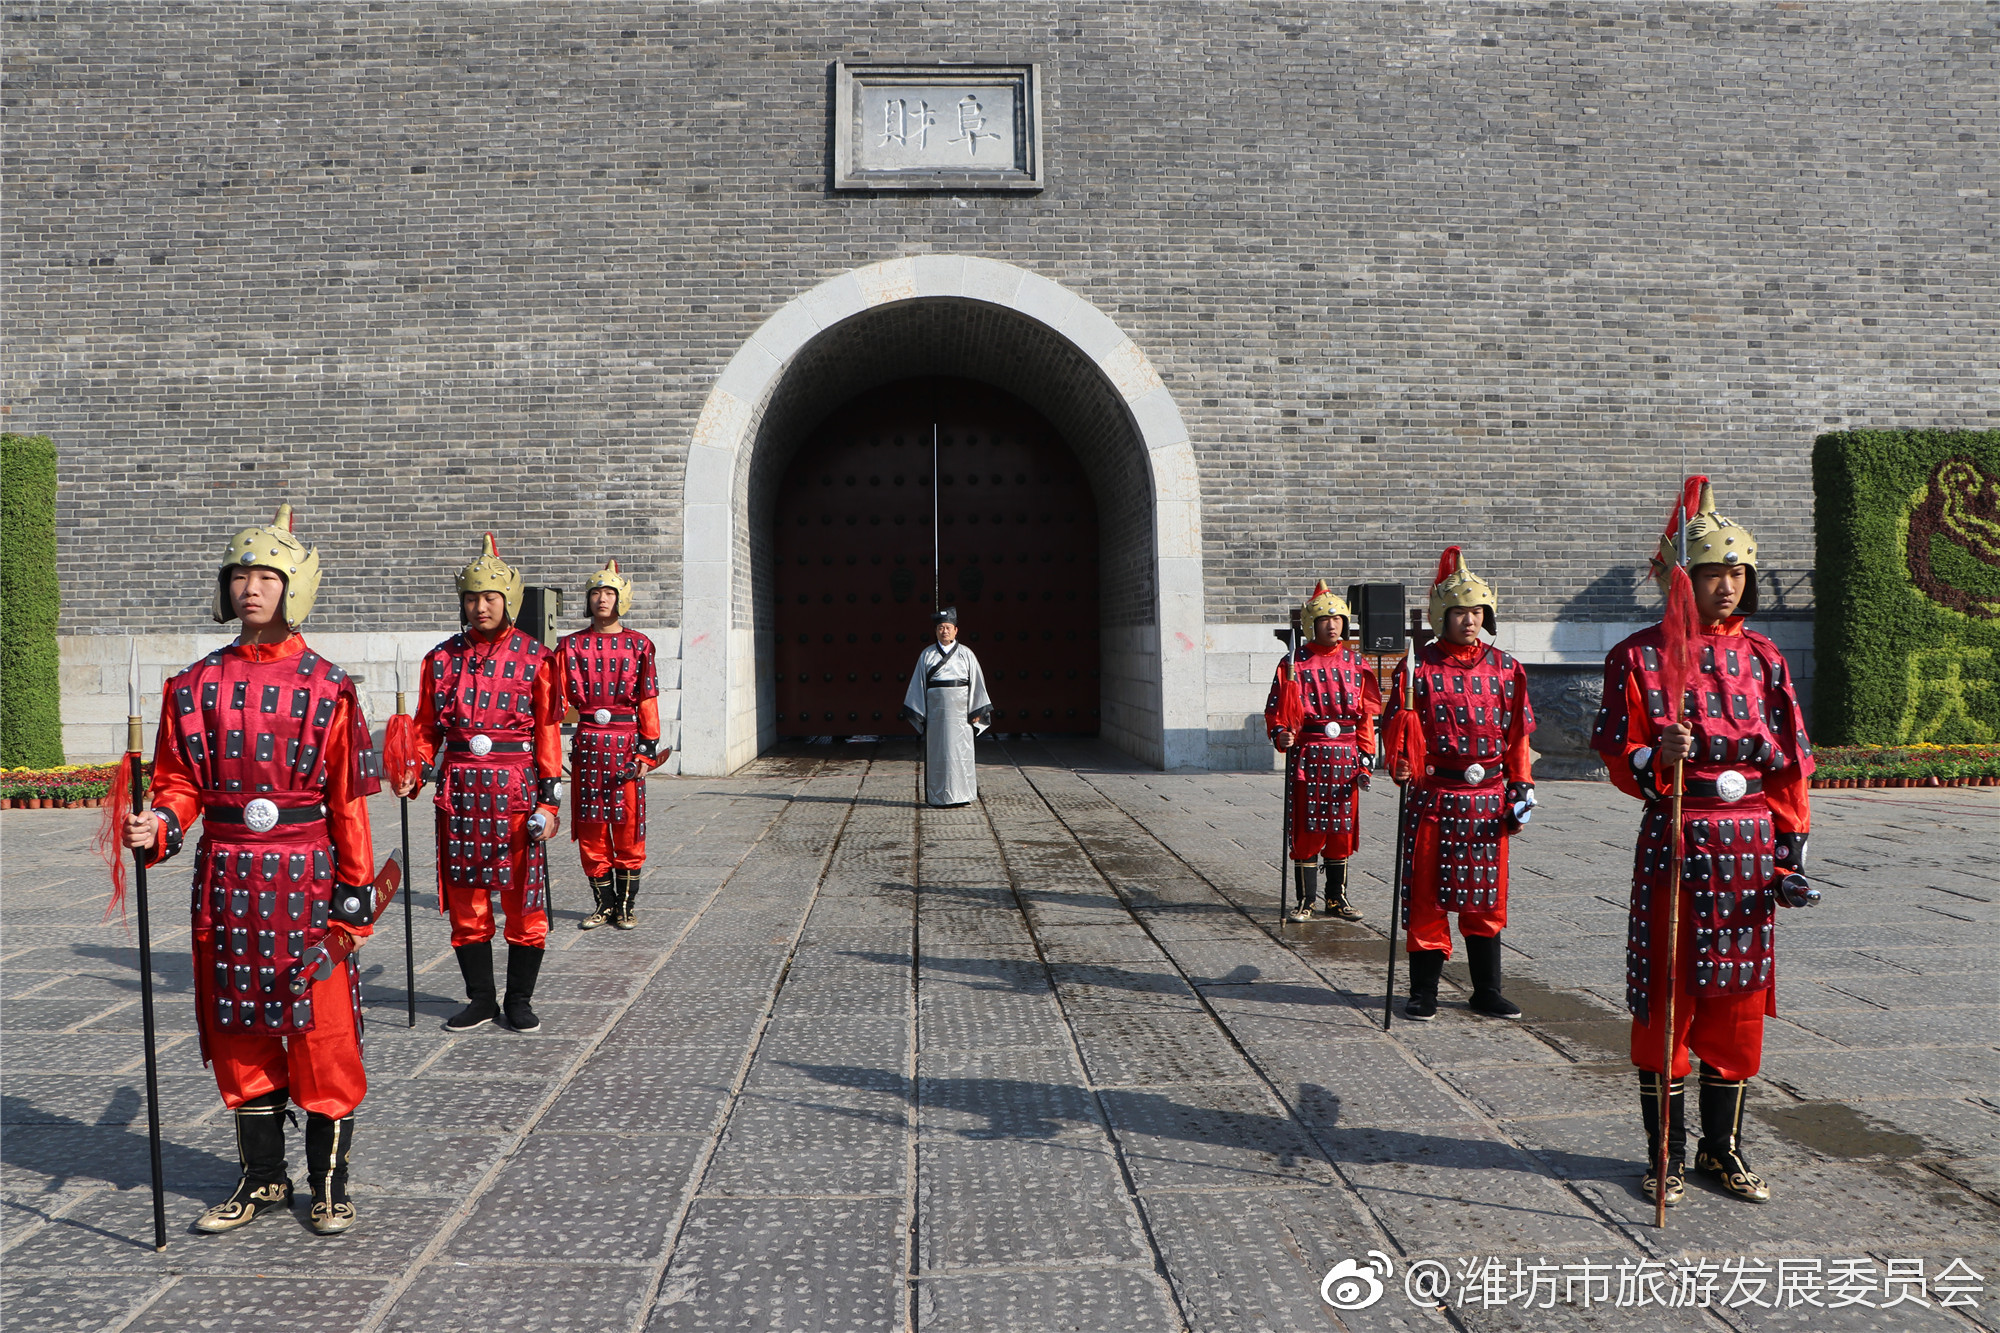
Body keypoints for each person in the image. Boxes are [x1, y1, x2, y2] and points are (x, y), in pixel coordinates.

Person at [122, 504, 382, 1236]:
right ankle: (263, 1177)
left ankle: (329, 1182)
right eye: (240, 575)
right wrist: (161, 823)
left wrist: (355, 892)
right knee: (241, 1033)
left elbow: (346, 801)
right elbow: (179, 783)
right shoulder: (193, 685)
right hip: (229, 881)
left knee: (322, 1033)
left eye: (265, 576)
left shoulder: (329, 687)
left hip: (307, 878)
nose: (249, 589)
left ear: (293, 587)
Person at [1591, 478, 1819, 1206]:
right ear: (1684, 577)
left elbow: (1788, 763)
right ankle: (1665, 1153)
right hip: (1678, 838)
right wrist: (1661, 752)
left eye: (1738, 571)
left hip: (1750, 842)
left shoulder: (1765, 658)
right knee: (1670, 996)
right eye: (1714, 571)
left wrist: (1790, 850)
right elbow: (1616, 752)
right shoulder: (1638, 656)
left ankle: (1724, 1147)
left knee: (1738, 1000)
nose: (1729, 586)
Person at [395, 534, 563, 1034]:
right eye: (472, 597)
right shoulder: (439, 659)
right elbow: (426, 728)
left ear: (508, 600)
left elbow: (548, 731)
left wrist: (550, 800)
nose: (480, 606)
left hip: (515, 791)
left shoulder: (536, 658)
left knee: (522, 902)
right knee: (467, 902)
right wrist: (416, 768)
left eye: (490, 597)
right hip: (461, 793)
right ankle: (481, 998)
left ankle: (519, 999)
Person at [1383, 547, 1537, 1021]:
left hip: (1488, 798)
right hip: (1436, 797)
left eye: (1476, 612)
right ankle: (1423, 990)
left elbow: (1517, 739)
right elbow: (1396, 728)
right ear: (1440, 616)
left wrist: (1521, 788)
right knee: (1427, 896)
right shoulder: (1417, 668)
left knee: (1486, 896)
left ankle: (1486, 989)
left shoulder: (1507, 668)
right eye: (1459, 612)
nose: (1469, 620)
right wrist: (1401, 762)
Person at [554, 560, 664, 930]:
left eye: (609, 593)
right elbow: (551, 704)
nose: (602, 600)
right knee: (592, 828)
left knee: (628, 829)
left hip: (625, 747)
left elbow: (647, 701)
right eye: (596, 593)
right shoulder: (569, 647)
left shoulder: (639, 645)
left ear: (621, 600)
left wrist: (647, 749)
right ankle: (603, 904)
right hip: (588, 748)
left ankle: (626, 906)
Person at [1264, 581, 1381, 922]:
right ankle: (1306, 900)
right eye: (1325, 619)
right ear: (1311, 624)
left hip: (1345, 755)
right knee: (1308, 828)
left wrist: (1366, 755)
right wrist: (1282, 733)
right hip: (1310, 756)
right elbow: (1277, 710)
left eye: (1338, 619)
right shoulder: (1293, 663)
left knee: (1341, 830)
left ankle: (1337, 897)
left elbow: (1365, 717)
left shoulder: (1356, 663)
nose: (1332, 625)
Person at [899, 607, 992, 807]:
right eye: (941, 628)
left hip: (961, 715)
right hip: (937, 715)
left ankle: (962, 795)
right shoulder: (927, 655)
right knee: (939, 754)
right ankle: (939, 797)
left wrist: (976, 709)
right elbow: (918, 684)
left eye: (948, 627)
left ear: (956, 630)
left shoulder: (967, 654)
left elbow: (976, 682)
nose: (945, 631)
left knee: (961, 753)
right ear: (936, 631)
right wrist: (920, 713)